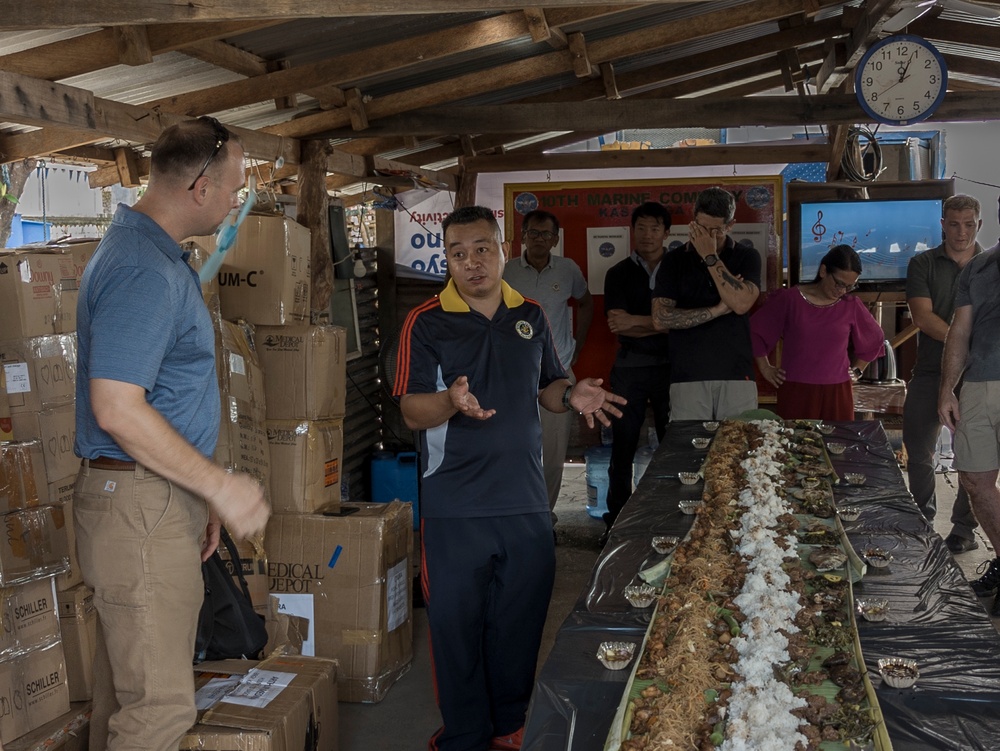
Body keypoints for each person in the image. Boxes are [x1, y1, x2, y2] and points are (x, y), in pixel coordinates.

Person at [393, 206, 624, 751]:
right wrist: (450, 402)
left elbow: (547, 386)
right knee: (456, 631)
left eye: (481, 249)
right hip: (456, 505)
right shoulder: (425, 321)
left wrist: (571, 394)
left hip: (524, 500)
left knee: (519, 625)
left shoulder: (531, 314)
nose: (471, 263)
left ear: (503, 250)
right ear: (446, 260)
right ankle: (465, 735)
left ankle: (509, 728)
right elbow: (410, 412)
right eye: (457, 254)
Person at [73, 117, 271, 751]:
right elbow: (118, 407)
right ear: (201, 184)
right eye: (235, 186)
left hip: (152, 500)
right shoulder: (143, 270)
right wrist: (220, 483)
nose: (237, 200)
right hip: (141, 507)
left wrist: (198, 496)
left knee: (126, 701)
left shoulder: (154, 255)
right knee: (156, 712)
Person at [503, 209, 593, 531]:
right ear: (523, 236)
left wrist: (577, 346)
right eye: (534, 233)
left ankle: (544, 517)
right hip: (514, 376)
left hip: (558, 374)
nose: (540, 239)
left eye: (546, 234)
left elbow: (585, 302)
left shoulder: (568, 270)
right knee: (515, 446)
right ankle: (516, 513)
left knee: (554, 454)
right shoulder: (506, 271)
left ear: (556, 239)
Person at [905, 194, 984, 553]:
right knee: (918, 449)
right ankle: (922, 519)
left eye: (968, 224)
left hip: (979, 375)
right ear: (942, 224)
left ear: (979, 225)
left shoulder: (991, 266)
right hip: (929, 371)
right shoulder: (922, 262)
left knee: (973, 455)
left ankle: (964, 529)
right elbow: (922, 317)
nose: (961, 231)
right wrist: (962, 339)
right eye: (954, 224)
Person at [651, 186, 761, 419]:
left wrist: (710, 257)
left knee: (737, 447)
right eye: (701, 228)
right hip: (688, 374)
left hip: (736, 374)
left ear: (730, 225)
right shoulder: (674, 260)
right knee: (689, 449)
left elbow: (741, 304)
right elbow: (660, 319)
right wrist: (718, 309)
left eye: (716, 230)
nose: (707, 236)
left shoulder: (746, 256)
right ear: (693, 221)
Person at [600, 201, 672, 540]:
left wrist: (641, 322)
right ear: (632, 231)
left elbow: (683, 324)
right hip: (630, 370)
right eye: (641, 228)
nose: (647, 235)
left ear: (667, 233)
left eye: (654, 228)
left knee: (674, 447)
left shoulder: (680, 268)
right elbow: (618, 325)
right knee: (622, 446)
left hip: (673, 369)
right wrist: (662, 323)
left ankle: (673, 519)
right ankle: (617, 523)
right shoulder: (617, 273)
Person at [938, 228, 1000, 615]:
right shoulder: (978, 266)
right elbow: (960, 330)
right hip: (978, 384)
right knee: (975, 481)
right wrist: (948, 388)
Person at [750, 244, 884, 421]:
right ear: (823, 271)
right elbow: (756, 330)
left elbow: (875, 339)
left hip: (838, 391)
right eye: (839, 284)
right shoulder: (790, 299)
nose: (842, 291)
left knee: (838, 442)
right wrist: (765, 368)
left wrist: (858, 370)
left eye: (850, 286)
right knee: (795, 443)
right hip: (797, 390)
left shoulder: (850, 305)